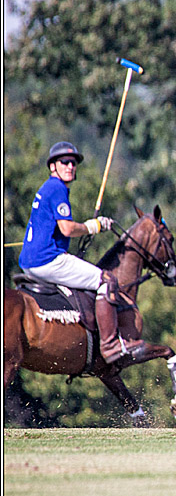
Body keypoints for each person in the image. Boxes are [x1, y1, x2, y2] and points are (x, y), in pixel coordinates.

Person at [18, 141, 144, 364]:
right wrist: (92, 226)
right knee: (106, 280)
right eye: (64, 162)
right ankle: (110, 344)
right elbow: (67, 228)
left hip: (30, 261)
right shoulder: (56, 188)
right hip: (47, 260)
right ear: (52, 167)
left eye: (73, 163)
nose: (70, 166)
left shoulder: (48, 188)